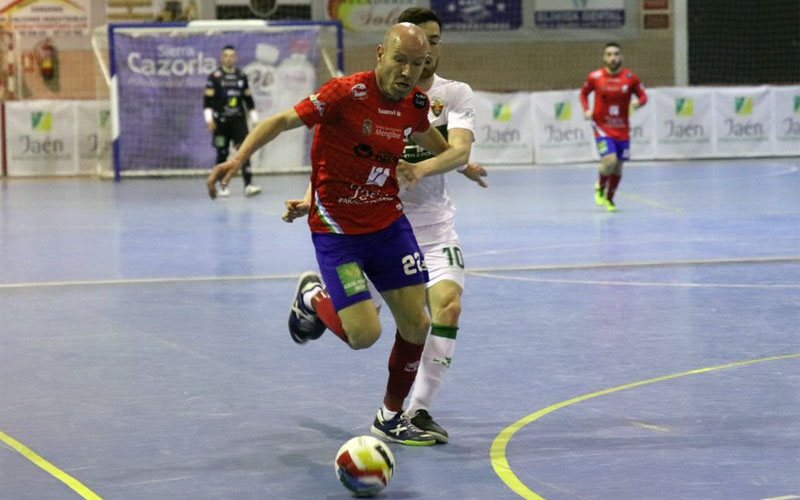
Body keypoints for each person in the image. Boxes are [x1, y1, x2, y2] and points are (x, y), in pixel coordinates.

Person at [207, 23, 471, 445]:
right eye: (400, 60)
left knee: (418, 323)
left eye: (417, 64)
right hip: (338, 232)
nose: (407, 71)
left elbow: (429, 135)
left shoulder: (415, 103)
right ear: (381, 54)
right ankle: (312, 295)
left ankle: (390, 416)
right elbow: (279, 121)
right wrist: (238, 159)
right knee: (364, 335)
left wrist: (462, 161)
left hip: (387, 224)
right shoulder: (344, 93)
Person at [282, 7, 487, 445]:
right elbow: (337, 155)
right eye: (415, 47)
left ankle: (413, 410)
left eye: (433, 42)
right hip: (369, 223)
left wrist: (438, 166)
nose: (424, 52)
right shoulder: (365, 94)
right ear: (392, 50)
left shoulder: (453, 94)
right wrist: (310, 197)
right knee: (363, 331)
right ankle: (316, 300)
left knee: (440, 310)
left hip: (428, 226)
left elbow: (459, 150)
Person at [580, 42, 647, 212]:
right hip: (602, 126)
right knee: (610, 160)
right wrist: (587, 110)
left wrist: (639, 102)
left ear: (621, 57)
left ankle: (610, 199)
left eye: (616, 54)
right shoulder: (595, 77)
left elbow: (643, 96)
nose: (613, 57)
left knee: (618, 166)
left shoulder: (630, 78)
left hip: (622, 128)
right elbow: (583, 93)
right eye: (609, 54)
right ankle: (600, 186)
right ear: (604, 58)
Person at [204, 45, 262, 197]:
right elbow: (207, 102)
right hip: (221, 122)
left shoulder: (241, 76)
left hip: (238, 121)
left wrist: (255, 119)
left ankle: (248, 185)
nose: (229, 58)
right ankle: (222, 186)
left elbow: (248, 100)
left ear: (235, 58)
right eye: (226, 55)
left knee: (244, 151)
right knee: (222, 153)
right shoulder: (214, 77)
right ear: (222, 58)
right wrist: (209, 119)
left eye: (232, 55)